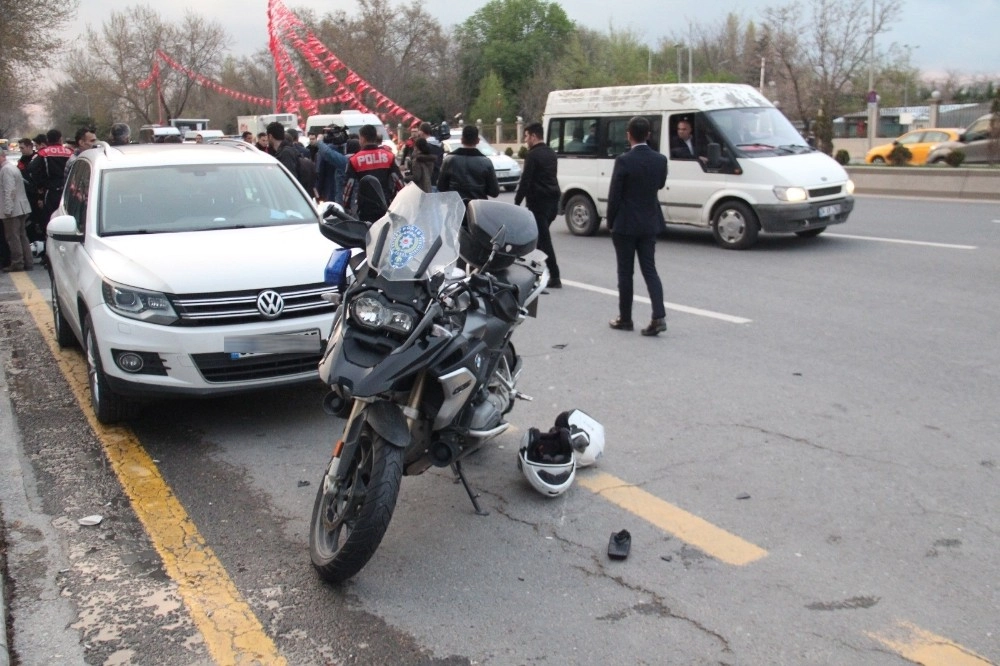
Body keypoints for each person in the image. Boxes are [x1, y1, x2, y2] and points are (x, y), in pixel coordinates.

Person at [606, 116, 667, 336]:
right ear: (648, 135)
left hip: (625, 223)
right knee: (650, 270)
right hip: (649, 222)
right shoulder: (660, 160)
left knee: (625, 272)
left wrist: (610, 221)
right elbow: (659, 184)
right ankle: (658, 316)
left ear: (628, 135)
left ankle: (625, 318)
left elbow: (615, 195)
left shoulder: (624, 161)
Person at [514, 122, 562, 288]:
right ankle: (537, 274)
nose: (525, 140)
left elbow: (525, 181)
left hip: (539, 202)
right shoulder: (551, 153)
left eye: (526, 136)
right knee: (539, 240)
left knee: (543, 240)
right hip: (553, 201)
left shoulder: (533, 155)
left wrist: (516, 202)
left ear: (534, 136)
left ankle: (555, 276)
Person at [342, 124, 405, 221]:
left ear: (362, 139)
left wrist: (346, 206)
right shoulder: (389, 156)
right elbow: (399, 182)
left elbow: (348, 186)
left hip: (365, 207)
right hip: (385, 204)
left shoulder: (355, 160)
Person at [27, 128, 73, 237]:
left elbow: (31, 168)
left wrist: (41, 184)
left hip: (51, 191)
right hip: (68, 190)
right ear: (60, 139)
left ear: (48, 139)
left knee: (50, 217)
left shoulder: (44, 153)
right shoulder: (69, 152)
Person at [437, 125, 500, 201]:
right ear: (478, 141)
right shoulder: (486, 162)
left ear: (462, 140)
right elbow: (494, 192)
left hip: (456, 207)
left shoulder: (449, 160)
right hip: (477, 208)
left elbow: (441, 187)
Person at [0, 151, 34, 272]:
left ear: (2, 156)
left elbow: (9, 191)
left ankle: (17, 262)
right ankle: (28, 261)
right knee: (22, 235)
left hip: (13, 210)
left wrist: (7, 209)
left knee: (12, 237)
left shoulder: (6, 170)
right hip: (21, 207)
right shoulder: (12, 168)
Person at [313, 129, 348, 205]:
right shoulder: (346, 149)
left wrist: (317, 195)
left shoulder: (323, 152)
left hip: (329, 192)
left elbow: (319, 173)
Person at [417, 122, 444, 189]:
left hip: (427, 179)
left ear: (422, 132)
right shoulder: (439, 145)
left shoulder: (425, 146)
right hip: (437, 177)